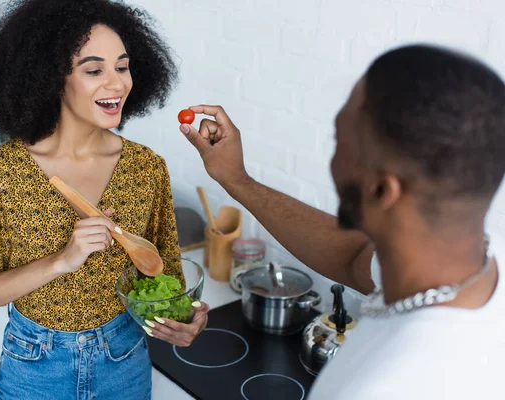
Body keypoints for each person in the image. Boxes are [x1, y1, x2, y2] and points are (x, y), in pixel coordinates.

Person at [179, 44, 504, 399]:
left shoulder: (384, 386)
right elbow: (353, 258)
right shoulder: (469, 262)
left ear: (382, 189)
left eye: (338, 139)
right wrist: (236, 180)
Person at [0, 1, 208, 399]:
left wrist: (184, 320)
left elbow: (164, 282)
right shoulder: (0, 171)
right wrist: (62, 260)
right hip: (35, 366)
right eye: (94, 70)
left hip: (124, 360)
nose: (116, 84)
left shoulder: (145, 167)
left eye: (123, 66)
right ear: (51, 78)